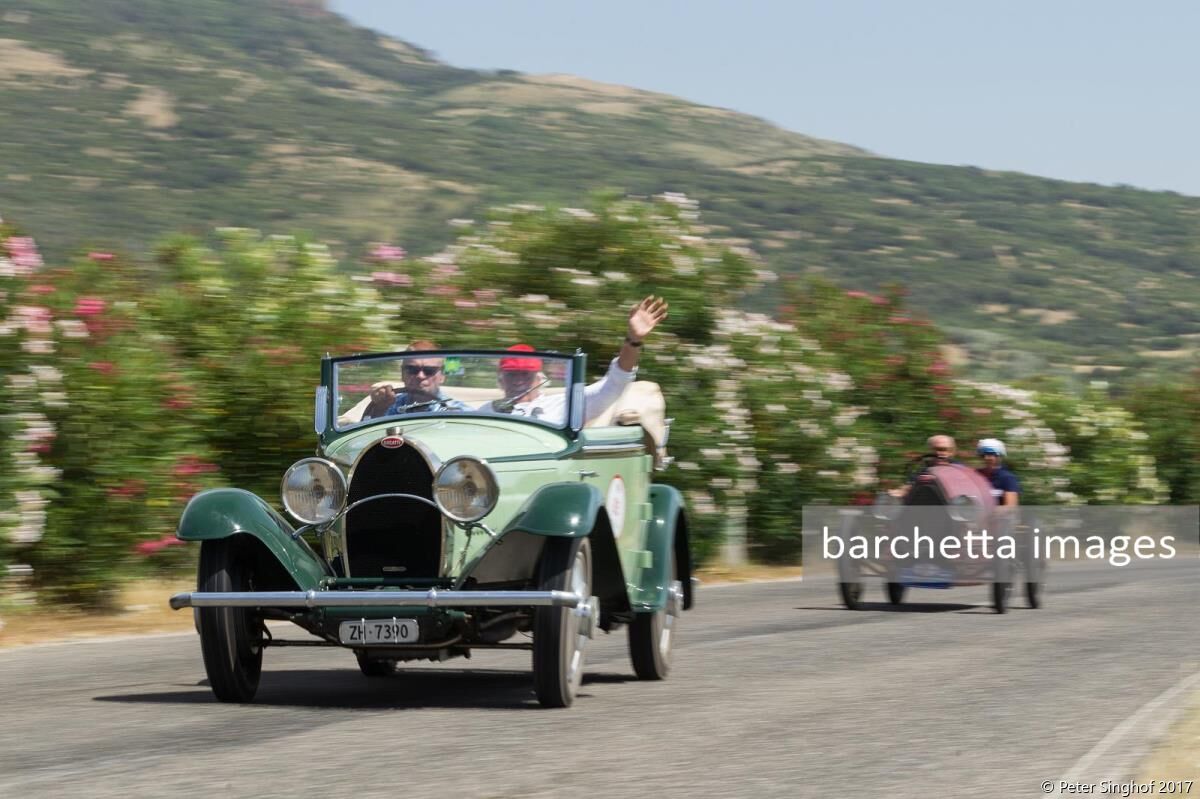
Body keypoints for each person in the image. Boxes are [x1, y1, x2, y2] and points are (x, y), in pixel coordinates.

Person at [481, 295, 669, 426]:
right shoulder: (484, 412)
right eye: (512, 375)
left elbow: (614, 384)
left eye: (525, 375)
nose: (519, 381)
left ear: (539, 379)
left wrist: (633, 340)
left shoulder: (564, 405)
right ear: (501, 379)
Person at [385, 340, 471, 415]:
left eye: (429, 370)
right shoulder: (387, 405)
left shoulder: (460, 413)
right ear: (402, 373)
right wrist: (379, 406)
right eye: (412, 369)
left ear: (442, 376)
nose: (420, 376)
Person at [891, 434, 963, 498]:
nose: (938, 453)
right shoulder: (926, 468)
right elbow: (910, 484)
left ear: (951, 452)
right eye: (934, 449)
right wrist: (901, 491)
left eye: (943, 450)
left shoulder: (960, 470)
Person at [976, 438, 1020, 507]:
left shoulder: (1007, 478)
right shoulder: (977, 474)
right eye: (983, 454)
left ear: (1000, 456)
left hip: (1000, 517)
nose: (986, 458)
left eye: (991, 454)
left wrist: (986, 513)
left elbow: (1010, 507)